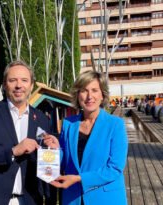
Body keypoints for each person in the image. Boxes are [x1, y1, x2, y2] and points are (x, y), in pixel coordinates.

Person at [0, 61, 55, 205]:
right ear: (4, 84)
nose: (19, 85)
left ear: (31, 86)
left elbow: (45, 163)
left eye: (24, 80)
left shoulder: (41, 119)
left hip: (30, 200)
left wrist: (52, 150)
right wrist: (13, 151)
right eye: (12, 80)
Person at [43, 70, 128, 205]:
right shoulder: (68, 124)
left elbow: (115, 168)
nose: (89, 96)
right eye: (84, 90)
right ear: (77, 95)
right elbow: (64, 161)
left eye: (94, 90)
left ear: (102, 95)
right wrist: (55, 149)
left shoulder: (115, 125)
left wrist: (79, 178)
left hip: (106, 199)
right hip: (73, 198)